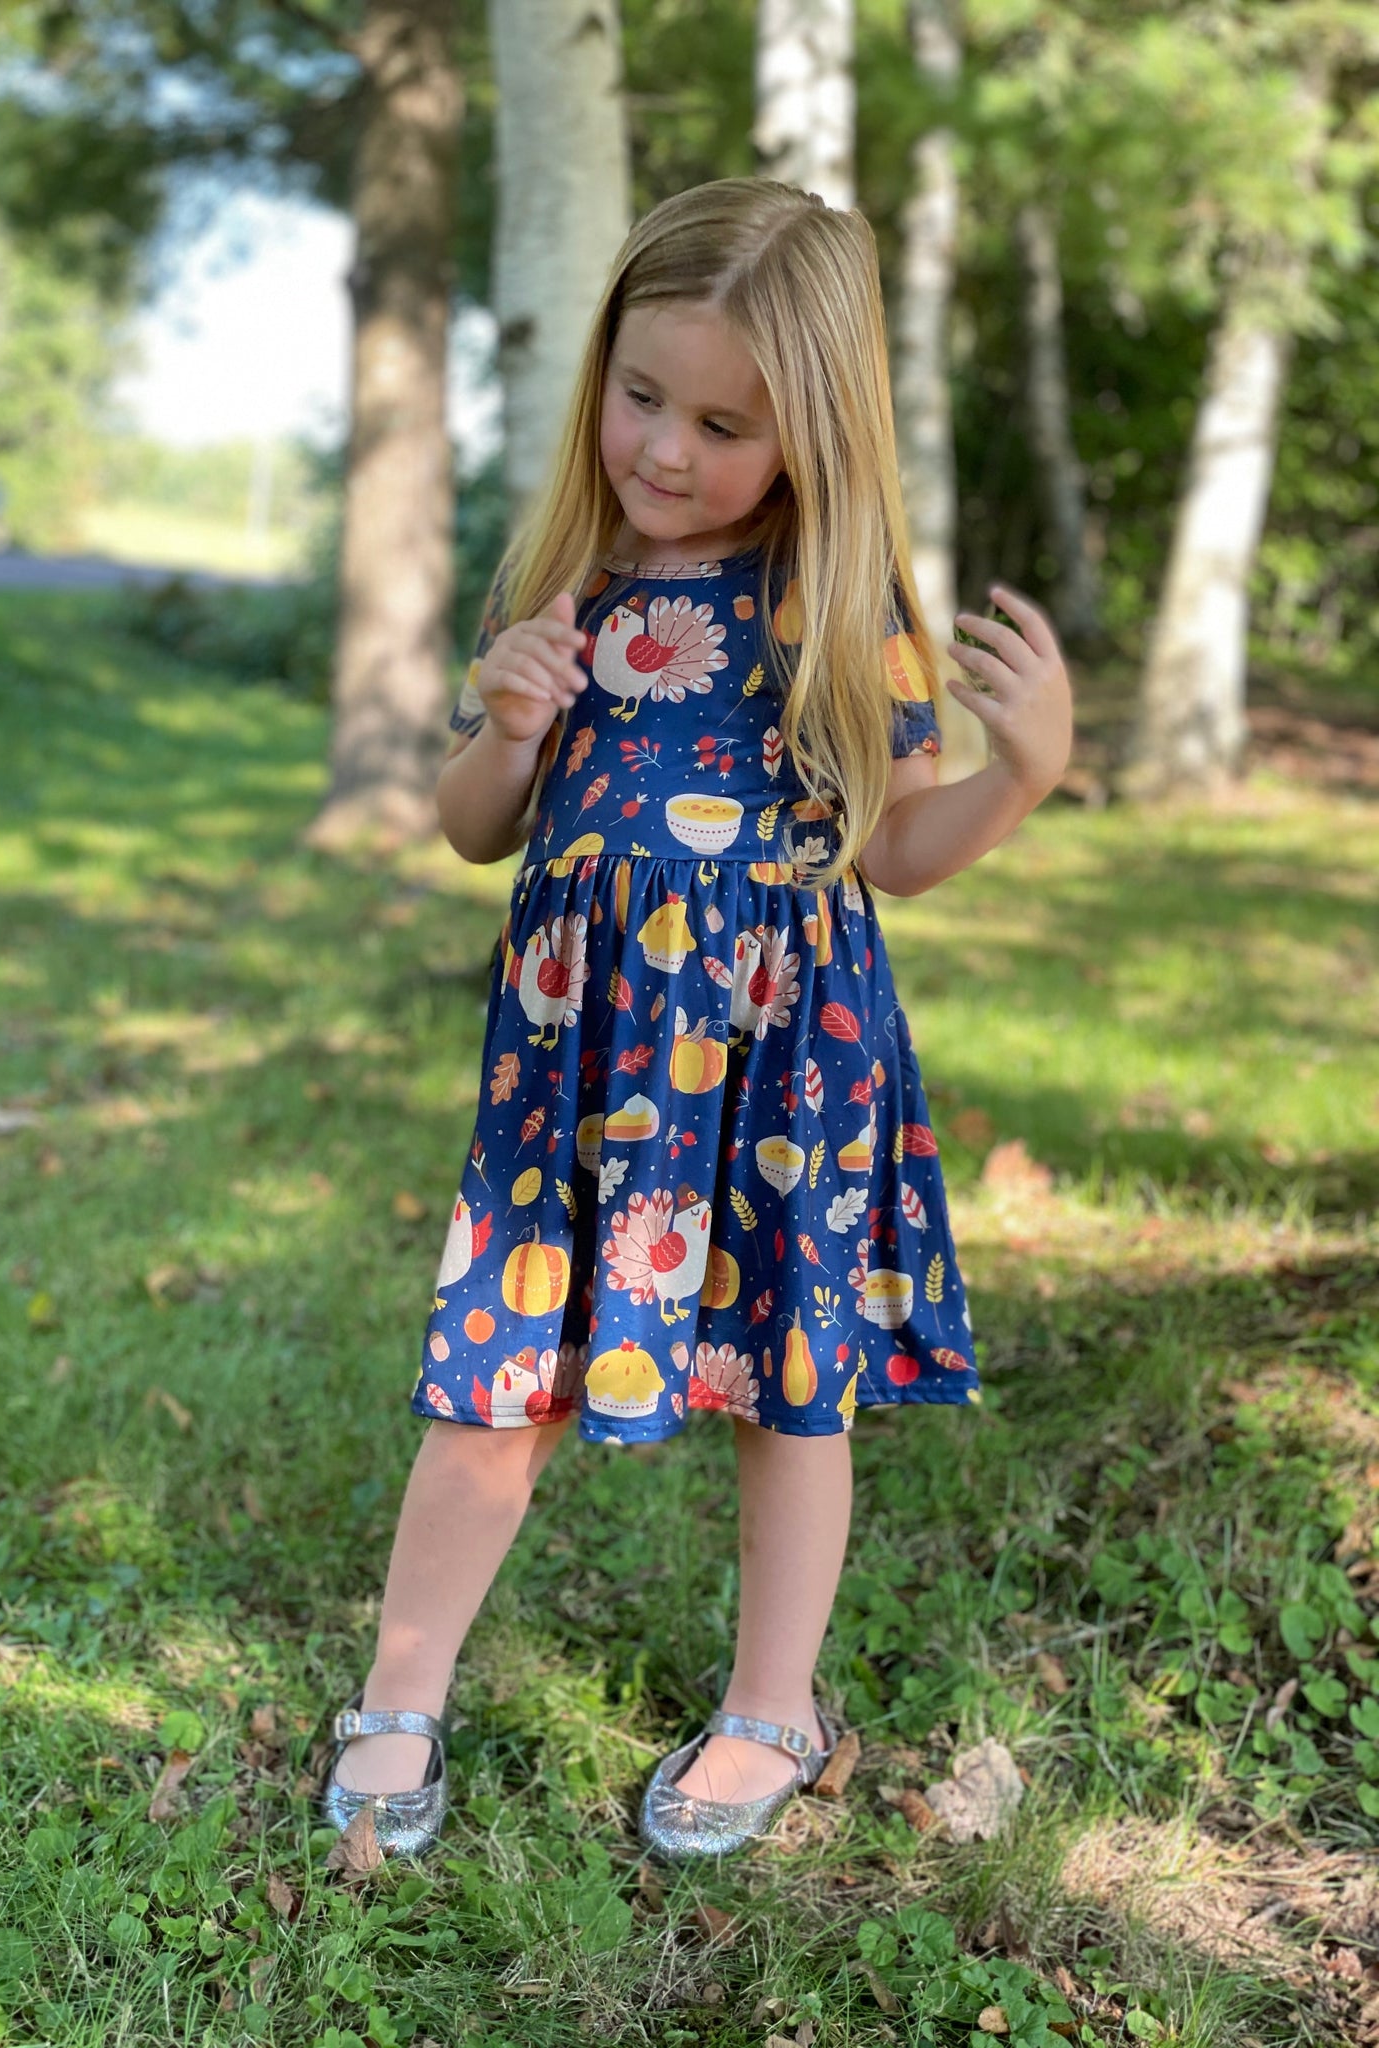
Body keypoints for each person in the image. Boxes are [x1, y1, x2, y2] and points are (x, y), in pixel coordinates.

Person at [322, 177, 1073, 1864]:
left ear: (808, 434)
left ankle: (772, 1710)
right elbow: (470, 822)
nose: (666, 448)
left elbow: (897, 847)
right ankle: (401, 1690)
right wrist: (508, 729)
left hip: (786, 1061)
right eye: (642, 394)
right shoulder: (573, 577)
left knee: (793, 1388)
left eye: (722, 422)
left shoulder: (838, 604)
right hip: (579, 1067)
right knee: (494, 1381)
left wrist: (1023, 776)